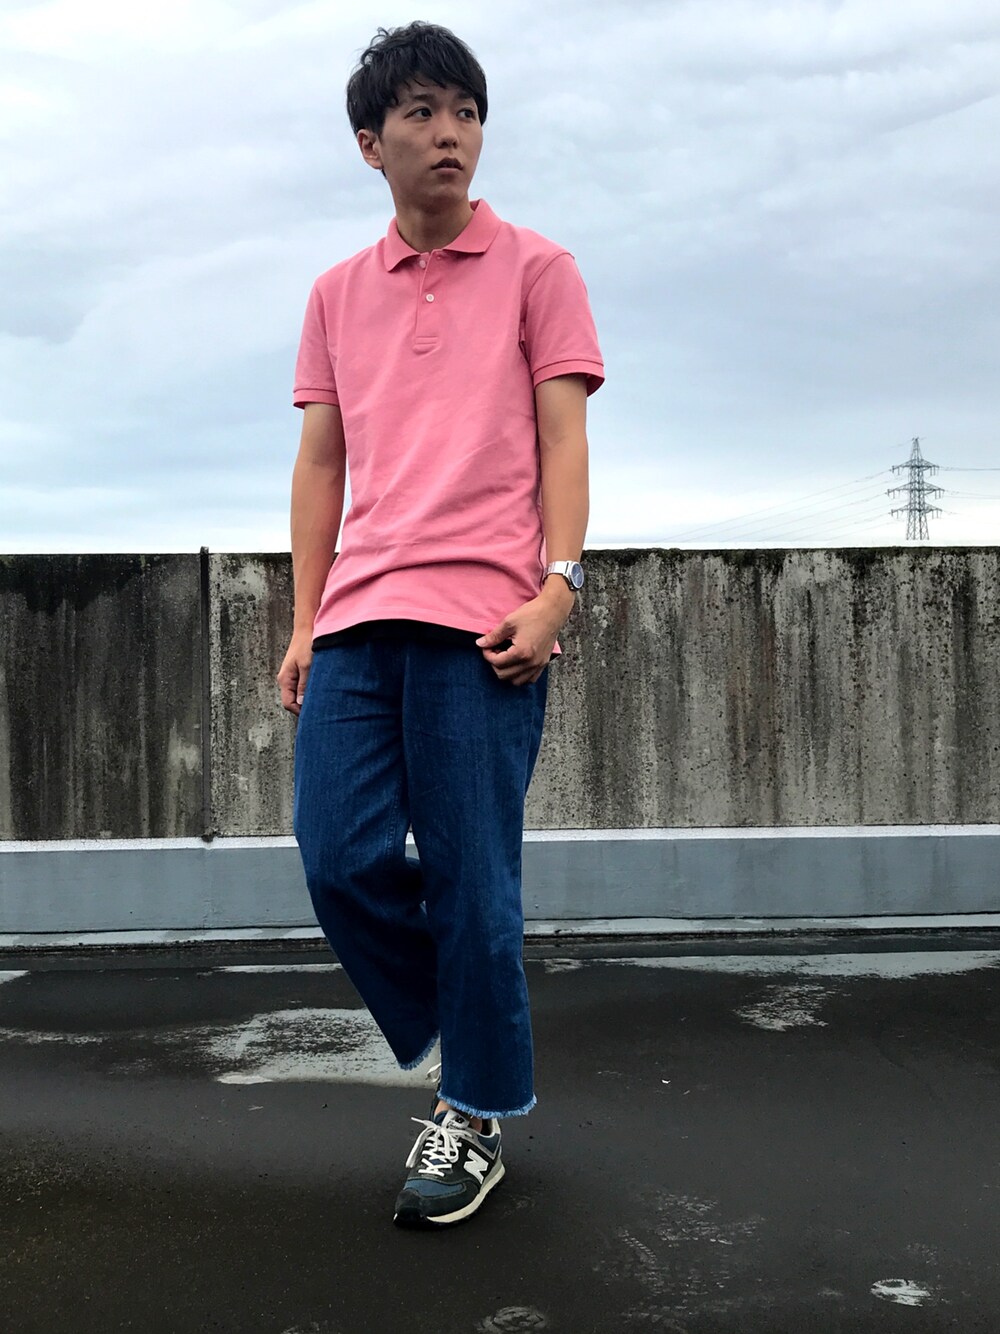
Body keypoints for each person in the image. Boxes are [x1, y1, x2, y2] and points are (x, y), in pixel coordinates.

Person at [277, 20, 604, 1229]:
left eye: (464, 110)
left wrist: (560, 584)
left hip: (485, 622)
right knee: (336, 853)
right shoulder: (334, 294)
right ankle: (474, 1008)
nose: (448, 132)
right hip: (360, 613)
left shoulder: (538, 269)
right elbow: (321, 464)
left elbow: (564, 436)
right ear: (372, 144)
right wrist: (304, 620)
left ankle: (472, 1108)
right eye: (419, 112)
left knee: (474, 879)